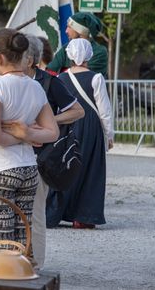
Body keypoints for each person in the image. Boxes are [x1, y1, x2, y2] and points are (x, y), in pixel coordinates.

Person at [0, 29, 58, 246]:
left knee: (0, 242)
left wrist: (20, 135)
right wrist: (27, 135)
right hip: (27, 168)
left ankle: (4, 280)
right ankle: (23, 277)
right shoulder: (35, 86)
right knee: (23, 239)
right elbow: (53, 132)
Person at [24, 35, 85, 269]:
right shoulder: (8, 80)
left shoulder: (49, 82)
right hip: (12, 155)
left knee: (36, 214)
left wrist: (50, 121)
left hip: (42, 158)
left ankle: (36, 265)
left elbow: (78, 111)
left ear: (29, 59)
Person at [46, 38, 114, 230]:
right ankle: (83, 216)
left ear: (69, 55)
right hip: (91, 126)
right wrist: (109, 135)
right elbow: (104, 110)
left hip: (67, 126)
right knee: (90, 169)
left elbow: (58, 106)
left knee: (66, 167)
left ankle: (54, 213)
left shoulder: (60, 78)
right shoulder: (96, 78)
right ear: (89, 55)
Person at [47, 12, 108, 77]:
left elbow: (85, 76)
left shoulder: (99, 52)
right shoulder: (67, 47)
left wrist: (64, 72)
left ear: (80, 31)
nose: (66, 31)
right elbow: (50, 71)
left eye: (69, 27)